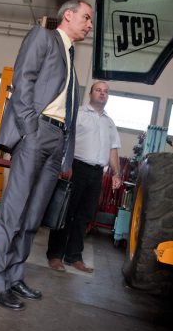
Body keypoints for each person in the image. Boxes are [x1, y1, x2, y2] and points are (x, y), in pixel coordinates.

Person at [0, 0, 93, 311]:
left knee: (32, 217)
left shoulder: (72, 55)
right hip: (36, 133)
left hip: (57, 140)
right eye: (85, 17)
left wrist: (66, 155)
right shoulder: (43, 38)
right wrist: (30, 128)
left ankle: (15, 275)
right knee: (14, 211)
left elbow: (70, 110)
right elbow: (23, 81)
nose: (89, 24)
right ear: (68, 15)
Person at [46, 81, 122, 273]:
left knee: (84, 217)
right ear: (90, 93)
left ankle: (74, 257)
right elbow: (65, 140)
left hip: (97, 173)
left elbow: (113, 150)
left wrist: (117, 173)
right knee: (65, 213)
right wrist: (66, 164)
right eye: (98, 90)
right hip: (76, 169)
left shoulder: (109, 122)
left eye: (106, 91)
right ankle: (55, 255)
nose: (102, 94)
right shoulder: (78, 114)